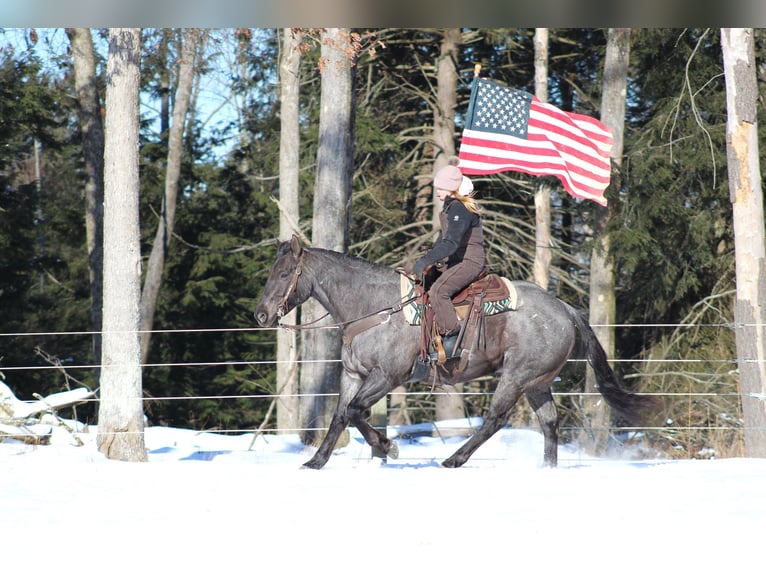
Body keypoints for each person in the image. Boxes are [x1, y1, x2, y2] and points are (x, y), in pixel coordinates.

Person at [412, 157, 485, 342]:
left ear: (453, 189)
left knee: (438, 291)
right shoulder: (450, 208)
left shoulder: (460, 209)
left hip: (469, 262)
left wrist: (424, 261)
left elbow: (451, 243)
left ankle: (452, 337)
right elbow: (441, 241)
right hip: (455, 261)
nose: (437, 193)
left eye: (441, 188)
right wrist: (427, 258)